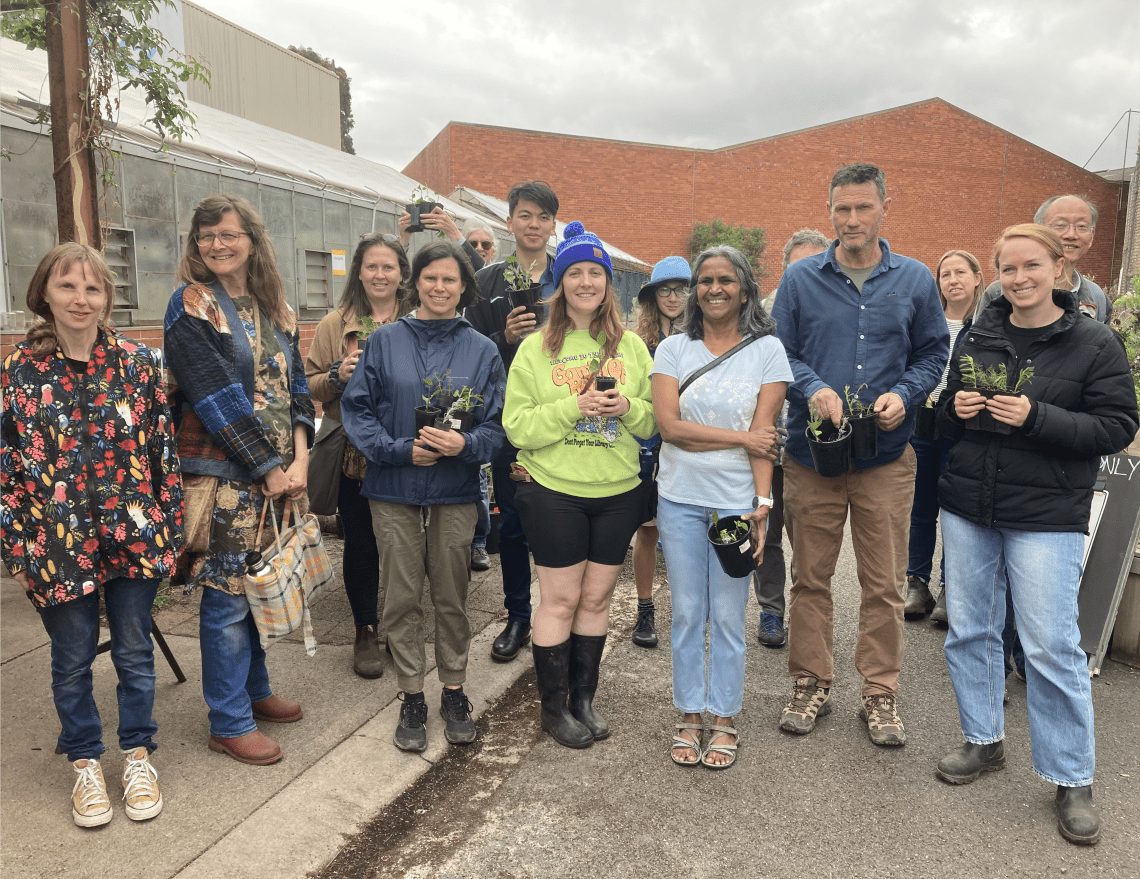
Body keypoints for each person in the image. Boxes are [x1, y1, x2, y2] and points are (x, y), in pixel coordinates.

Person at [934, 223, 1137, 846]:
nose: (1019, 279)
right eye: (1009, 268)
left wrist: (1036, 416)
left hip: (1046, 515)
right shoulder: (981, 329)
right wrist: (954, 408)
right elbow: (944, 414)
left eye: (1032, 266)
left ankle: (1071, 777)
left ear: (1058, 266)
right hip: (970, 503)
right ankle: (983, 740)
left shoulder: (1092, 341)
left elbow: (1117, 426)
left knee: (1050, 645)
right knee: (971, 629)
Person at [1, 244, 182, 827]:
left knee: (134, 651)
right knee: (72, 658)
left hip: (134, 531)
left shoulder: (137, 364)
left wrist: (169, 531)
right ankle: (84, 761)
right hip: (56, 543)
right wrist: (16, 548)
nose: (81, 300)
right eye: (67, 287)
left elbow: (162, 453)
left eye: (93, 289)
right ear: (44, 295)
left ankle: (137, 754)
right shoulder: (18, 373)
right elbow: (6, 467)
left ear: (108, 299)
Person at [771, 163, 949, 746]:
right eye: (841, 209)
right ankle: (811, 681)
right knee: (810, 578)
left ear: (883, 208)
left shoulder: (916, 280)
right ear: (830, 212)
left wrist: (906, 394)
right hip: (811, 457)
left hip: (886, 459)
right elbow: (781, 354)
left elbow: (931, 353)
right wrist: (813, 387)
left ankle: (879, 692)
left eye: (862, 208)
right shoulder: (800, 281)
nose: (852, 220)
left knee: (884, 583)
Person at [165, 194, 314, 767]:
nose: (217, 245)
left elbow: (298, 391)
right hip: (228, 475)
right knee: (227, 597)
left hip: (277, 475)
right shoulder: (192, 304)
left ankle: (254, 691)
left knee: (258, 587)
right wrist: (271, 469)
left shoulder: (277, 307)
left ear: (251, 239)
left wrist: (300, 460)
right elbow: (215, 397)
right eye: (206, 236)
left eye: (227, 233)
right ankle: (228, 721)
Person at [341, 240, 505, 752]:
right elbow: (357, 411)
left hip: (455, 491)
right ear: (417, 282)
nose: (440, 288)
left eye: (450, 280)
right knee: (402, 594)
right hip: (392, 488)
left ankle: (453, 687)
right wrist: (395, 450)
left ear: (464, 287)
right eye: (431, 278)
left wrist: (465, 444)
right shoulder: (385, 341)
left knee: (452, 594)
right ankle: (411, 692)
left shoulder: (482, 350)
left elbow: (499, 427)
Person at [502, 222, 655, 749]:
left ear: (608, 283)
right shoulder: (536, 349)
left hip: (617, 490)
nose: (585, 282)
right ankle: (552, 708)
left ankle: (582, 699)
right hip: (554, 490)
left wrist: (628, 407)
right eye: (575, 273)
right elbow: (517, 427)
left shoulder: (632, 347)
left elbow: (655, 421)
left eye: (595, 272)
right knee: (561, 600)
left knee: (598, 598)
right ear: (560, 283)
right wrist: (576, 405)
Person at [653, 246, 792, 769]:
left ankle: (725, 717)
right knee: (688, 613)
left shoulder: (768, 351)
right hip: (680, 499)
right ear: (695, 290)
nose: (714, 288)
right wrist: (741, 439)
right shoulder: (673, 350)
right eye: (704, 280)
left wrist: (763, 504)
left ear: (745, 288)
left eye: (725, 280)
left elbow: (768, 439)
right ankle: (690, 713)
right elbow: (670, 429)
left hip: (736, 503)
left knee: (730, 617)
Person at [305, 233, 412, 678]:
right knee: (363, 541)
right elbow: (308, 385)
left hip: (409, 447)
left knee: (407, 542)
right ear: (359, 273)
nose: (380, 274)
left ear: (403, 274)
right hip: (356, 452)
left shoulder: (420, 318)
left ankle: (403, 627)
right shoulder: (336, 324)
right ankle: (365, 629)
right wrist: (336, 374)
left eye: (389, 267)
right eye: (372, 266)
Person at [466, 181, 560, 662]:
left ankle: (560, 613)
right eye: (525, 215)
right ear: (510, 222)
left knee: (559, 522)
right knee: (516, 521)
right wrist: (502, 336)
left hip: (564, 417)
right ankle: (519, 615)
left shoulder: (568, 274)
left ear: (552, 224)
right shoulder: (487, 280)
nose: (534, 225)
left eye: (543, 217)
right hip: (509, 418)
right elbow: (467, 342)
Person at [754, 229, 830, 648]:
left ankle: (806, 613)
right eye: (796, 266)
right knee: (764, 530)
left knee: (809, 542)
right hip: (766, 444)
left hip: (807, 447)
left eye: (814, 264)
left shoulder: (831, 314)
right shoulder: (757, 317)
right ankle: (770, 611)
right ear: (785, 269)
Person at [903, 250, 984, 622]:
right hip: (923, 421)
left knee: (954, 508)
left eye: (960, 272)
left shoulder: (986, 325)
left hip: (962, 427)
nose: (952, 280)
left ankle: (952, 587)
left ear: (977, 278)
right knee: (920, 508)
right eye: (945, 274)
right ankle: (916, 582)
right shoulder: (927, 320)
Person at [629, 255, 691, 648]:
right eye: (664, 290)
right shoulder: (638, 343)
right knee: (648, 532)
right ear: (653, 297)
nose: (673, 297)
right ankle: (645, 608)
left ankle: (689, 610)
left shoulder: (704, 339)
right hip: (649, 447)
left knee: (689, 531)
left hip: (689, 447)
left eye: (681, 288)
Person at [975, 195, 1111, 324]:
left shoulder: (1098, 298)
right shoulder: (999, 292)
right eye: (1060, 225)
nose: (1071, 235)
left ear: (1092, 236)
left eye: (1081, 226)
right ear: (1038, 231)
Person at [460, 217, 500, 573]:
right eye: (472, 245)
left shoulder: (498, 286)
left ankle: (478, 541)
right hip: (458, 392)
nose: (479, 251)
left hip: (491, 392)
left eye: (485, 245)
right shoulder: (463, 287)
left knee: (480, 476)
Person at [398, 202, 485, 272]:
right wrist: (404, 240)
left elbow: (483, 273)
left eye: (486, 244)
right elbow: (398, 275)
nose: (479, 248)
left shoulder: (493, 276)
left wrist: (455, 234)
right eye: (472, 244)